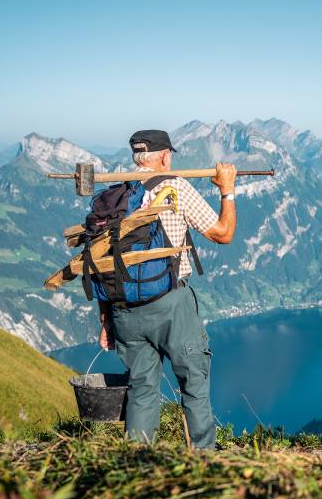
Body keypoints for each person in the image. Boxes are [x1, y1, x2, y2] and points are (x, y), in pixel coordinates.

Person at [98, 129, 237, 449]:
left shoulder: (116, 194)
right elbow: (222, 233)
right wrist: (227, 192)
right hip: (170, 305)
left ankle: (137, 464)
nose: (171, 159)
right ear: (162, 156)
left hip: (123, 309)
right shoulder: (175, 186)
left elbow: (102, 262)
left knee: (141, 390)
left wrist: (106, 318)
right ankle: (203, 462)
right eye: (169, 154)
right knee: (193, 384)